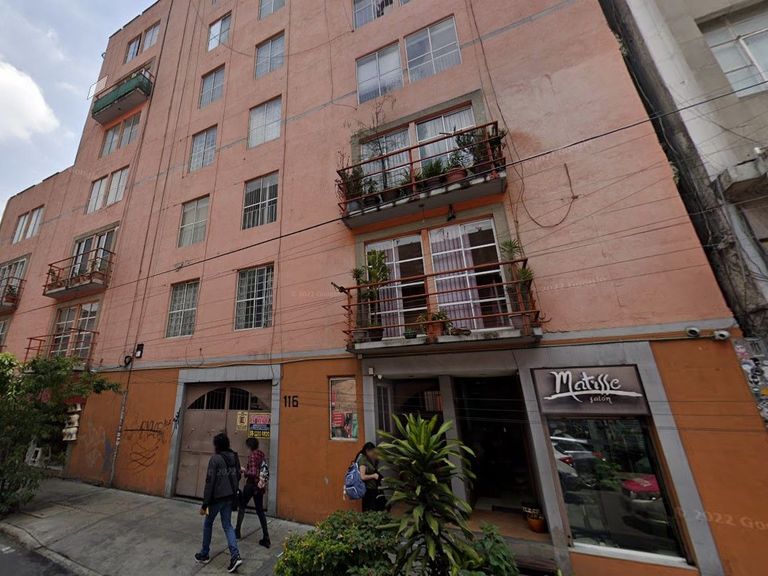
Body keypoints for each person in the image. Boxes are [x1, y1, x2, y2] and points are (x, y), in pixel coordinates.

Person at [195, 433, 243, 573]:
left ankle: (204, 553)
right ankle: (235, 556)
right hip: (229, 497)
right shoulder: (234, 457)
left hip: (216, 499)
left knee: (208, 524)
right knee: (227, 525)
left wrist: (205, 503)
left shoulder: (215, 459)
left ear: (216, 445)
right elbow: (238, 476)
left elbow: (210, 482)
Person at [235, 437, 270, 548]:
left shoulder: (252, 456)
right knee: (260, 511)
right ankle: (266, 537)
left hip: (251, 486)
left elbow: (253, 473)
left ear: (250, 446)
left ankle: (237, 531)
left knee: (242, 506)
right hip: (259, 487)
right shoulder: (261, 454)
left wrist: (244, 471)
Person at [356, 442, 385, 512]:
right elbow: (362, 477)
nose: (373, 453)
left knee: (376, 507)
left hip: (372, 488)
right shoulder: (362, 460)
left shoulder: (367, 458)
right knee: (370, 509)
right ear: (367, 451)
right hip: (368, 490)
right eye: (372, 452)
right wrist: (373, 476)